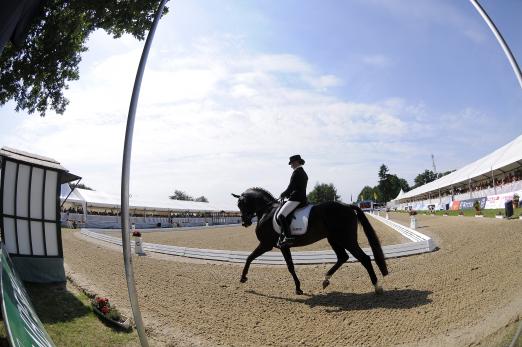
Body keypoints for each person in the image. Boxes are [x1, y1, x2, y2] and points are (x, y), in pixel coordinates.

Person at [277, 154, 308, 248]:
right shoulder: (303, 172)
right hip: (301, 198)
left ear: (297, 162)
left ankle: (288, 237)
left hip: (296, 198)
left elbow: (291, 187)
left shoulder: (297, 172)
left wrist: (283, 194)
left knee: (281, 216)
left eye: (292, 163)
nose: (291, 165)